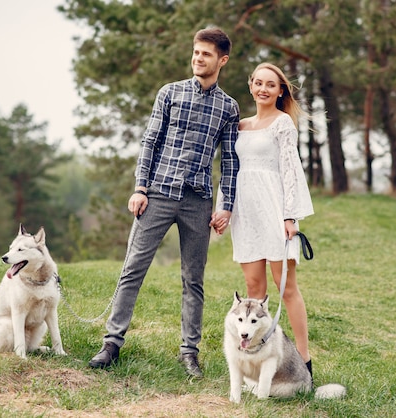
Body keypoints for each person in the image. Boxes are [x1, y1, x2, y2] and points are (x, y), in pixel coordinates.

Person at [88, 27, 240, 378]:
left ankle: (189, 352)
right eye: (196, 51)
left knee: (193, 280)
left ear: (222, 60)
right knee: (132, 269)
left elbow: (230, 161)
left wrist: (225, 205)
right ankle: (112, 343)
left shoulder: (229, 107)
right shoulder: (169, 93)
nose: (198, 58)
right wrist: (140, 187)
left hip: (198, 201)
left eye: (206, 54)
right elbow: (150, 142)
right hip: (157, 193)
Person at [214, 62, 315, 375]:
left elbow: (290, 169)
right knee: (253, 287)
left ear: (280, 90)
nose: (263, 89)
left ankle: (304, 360)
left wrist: (290, 216)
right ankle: (255, 361)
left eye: (270, 84)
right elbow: (230, 170)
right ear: (250, 85)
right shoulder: (240, 126)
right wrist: (223, 207)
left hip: (273, 210)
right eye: (258, 83)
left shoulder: (283, 123)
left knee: (286, 289)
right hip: (246, 213)